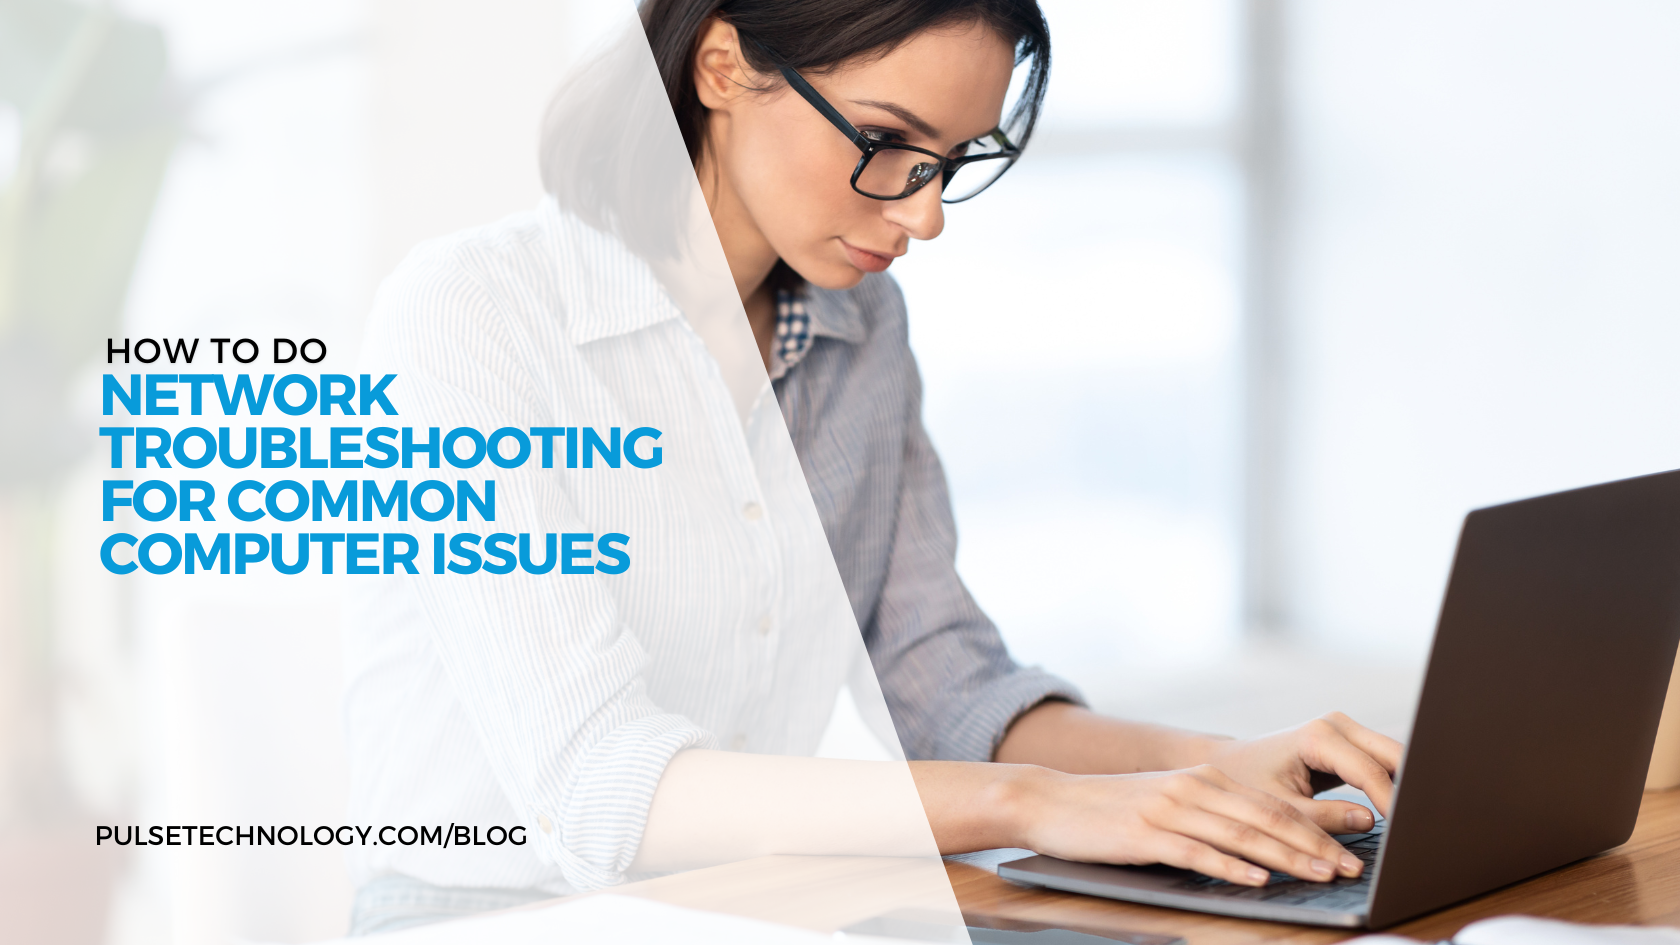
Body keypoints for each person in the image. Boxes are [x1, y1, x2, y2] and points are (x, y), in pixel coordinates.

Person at [342, 0, 1401, 933]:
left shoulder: (860, 323)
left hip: (753, 906)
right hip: (498, 915)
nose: (924, 213)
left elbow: (944, 684)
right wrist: (1034, 802)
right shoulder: (474, 316)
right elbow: (604, 788)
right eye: (889, 141)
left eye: (950, 161)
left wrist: (1207, 765)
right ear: (722, 67)